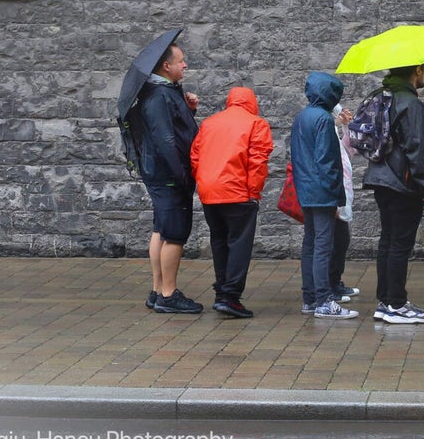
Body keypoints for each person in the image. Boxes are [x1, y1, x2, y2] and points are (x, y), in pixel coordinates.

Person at [362, 63, 424, 324]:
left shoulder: (381, 95)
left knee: (388, 241)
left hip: (380, 178)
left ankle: (386, 301)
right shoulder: (410, 103)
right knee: (399, 244)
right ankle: (395, 303)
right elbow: (416, 147)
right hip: (401, 182)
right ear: (417, 71)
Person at [190, 86, 274, 319]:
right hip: (238, 192)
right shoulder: (256, 123)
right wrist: (253, 193)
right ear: (251, 102)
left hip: (210, 191)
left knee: (219, 241)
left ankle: (221, 292)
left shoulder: (209, 123)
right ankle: (231, 297)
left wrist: (203, 181)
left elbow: (195, 156)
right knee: (239, 243)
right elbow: (258, 161)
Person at [133, 43, 203, 314]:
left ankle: (158, 290)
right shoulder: (160, 96)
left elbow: (174, 128)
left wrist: (189, 110)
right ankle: (169, 294)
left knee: (161, 229)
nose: (185, 65)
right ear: (166, 66)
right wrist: (182, 175)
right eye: (181, 61)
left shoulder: (161, 92)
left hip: (159, 172)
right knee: (174, 233)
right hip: (168, 175)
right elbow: (165, 139)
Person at [291, 72, 358, 319]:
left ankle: (310, 298)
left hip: (306, 188)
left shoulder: (302, 117)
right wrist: (336, 197)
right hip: (322, 191)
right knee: (323, 245)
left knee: (310, 244)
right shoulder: (323, 119)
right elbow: (328, 162)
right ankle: (323, 299)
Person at [329, 104, 361, 303]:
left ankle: (335, 282)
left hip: (340, 195)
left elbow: (349, 151)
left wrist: (346, 127)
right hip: (333, 196)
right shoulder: (325, 129)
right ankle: (329, 285)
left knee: (341, 241)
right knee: (335, 242)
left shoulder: (333, 131)